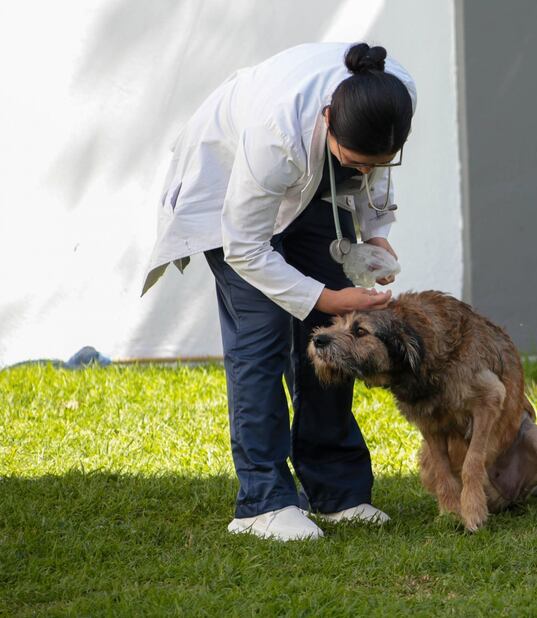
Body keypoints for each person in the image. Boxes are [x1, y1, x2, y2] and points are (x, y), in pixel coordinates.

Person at [141, 42, 416, 541]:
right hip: (229, 190)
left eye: (374, 162)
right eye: (353, 160)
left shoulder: (393, 96)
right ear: (329, 119)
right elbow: (246, 248)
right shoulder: (276, 130)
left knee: (329, 339)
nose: (362, 171)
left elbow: (371, 174)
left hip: (308, 186)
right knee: (262, 339)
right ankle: (262, 503)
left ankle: (336, 493)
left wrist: (376, 232)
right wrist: (329, 300)